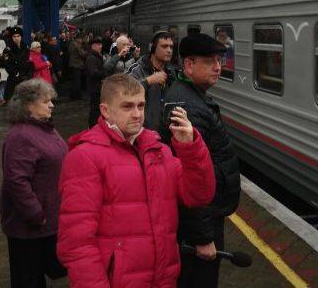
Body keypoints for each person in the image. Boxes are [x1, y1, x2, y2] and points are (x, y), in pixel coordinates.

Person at [57, 74, 216, 287]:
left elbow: (199, 195)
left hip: (163, 279)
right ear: (105, 111)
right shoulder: (85, 157)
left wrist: (191, 148)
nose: (137, 114)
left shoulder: (160, 151)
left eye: (141, 106)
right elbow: (76, 243)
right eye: (127, 106)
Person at [161, 33, 241, 288]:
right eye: (209, 61)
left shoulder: (189, 95)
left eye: (219, 60)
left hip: (206, 215)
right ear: (189, 65)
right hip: (200, 225)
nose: (218, 67)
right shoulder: (189, 108)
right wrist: (202, 238)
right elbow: (188, 176)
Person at [2, 80, 68, 287]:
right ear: (28, 105)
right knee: (28, 278)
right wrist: (36, 214)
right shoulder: (21, 135)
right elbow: (16, 181)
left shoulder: (44, 128)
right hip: (30, 227)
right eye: (45, 101)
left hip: (47, 222)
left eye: (51, 100)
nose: (51, 105)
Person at [126, 31, 177, 132]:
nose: (169, 50)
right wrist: (148, 81)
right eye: (164, 46)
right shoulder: (137, 69)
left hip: (164, 133)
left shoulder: (171, 73)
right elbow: (123, 92)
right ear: (152, 47)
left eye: (171, 47)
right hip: (141, 132)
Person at [0, 27, 33, 102]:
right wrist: (15, 73)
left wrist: (29, 75)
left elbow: (30, 63)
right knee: (12, 102)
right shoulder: (8, 49)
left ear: (21, 37)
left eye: (18, 36)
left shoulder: (26, 48)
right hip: (14, 79)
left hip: (25, 78)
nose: (16, 38)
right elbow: (5, 63)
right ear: (11, 37)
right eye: (14, 36)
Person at [84, 37, 106, 127]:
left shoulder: (96, 56)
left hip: (97, 88)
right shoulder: (91, 58)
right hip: (95, 88)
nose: (100, 46)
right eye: (98, 45)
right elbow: (94, 73)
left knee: (97, 109)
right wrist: (105, 72)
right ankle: (93, 127)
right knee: (95, 110)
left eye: (101, 44)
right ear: (93, 46)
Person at [68, 32, 86, 100]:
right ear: (79, 39)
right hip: (77, 64)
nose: (82, 40)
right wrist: (87, 52)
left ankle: (72, 95)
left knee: (73, 81)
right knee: (77, 81)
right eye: (81, 39)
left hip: (72, 64)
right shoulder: (77, 45)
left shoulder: (71, 43)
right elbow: (82, 54)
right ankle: (78, 96)